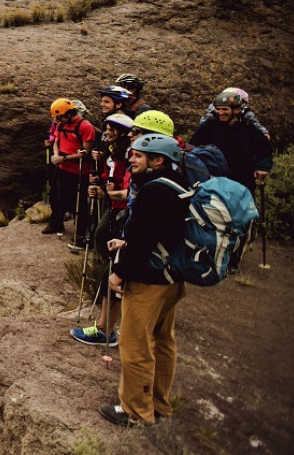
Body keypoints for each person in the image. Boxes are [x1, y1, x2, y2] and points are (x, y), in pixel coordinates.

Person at [100, 133, 187, 427]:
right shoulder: (180, 185)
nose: (131, 160)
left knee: (135, 343)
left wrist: (119, 272)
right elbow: (164, 232)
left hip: (149, 278)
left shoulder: (153, 191)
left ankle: (135, 411)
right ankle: (159, 404)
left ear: (158, 160)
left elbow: (143, 237)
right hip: (172, 276)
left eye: (138, 155)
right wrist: (126, 245)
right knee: (163, 340)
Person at [71, 112, 134, 346]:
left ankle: (106, 329)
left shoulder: (129, 155)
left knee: (110, 255)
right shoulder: (115, 152)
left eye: (111, 129)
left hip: (122, 210)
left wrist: (105, 192)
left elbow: (130, 191)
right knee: (101, 241)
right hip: (115, 205)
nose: (106, 132)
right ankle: (106, 316)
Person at [189, 89, 273, 194]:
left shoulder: (248, 127)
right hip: (213, 180)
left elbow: (264, 150)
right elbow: (192, 148)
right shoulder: (208, 126)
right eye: (218, 109)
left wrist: (262, 167)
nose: (220, 112)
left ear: (237, 110)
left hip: (243, 181)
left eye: (225, 109)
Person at [45, 98, 96, 245]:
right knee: (56, 196)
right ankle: (56, 222)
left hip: (78, 170)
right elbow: (56, 142)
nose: (57, 120)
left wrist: (64, 159)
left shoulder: (85, 127)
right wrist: (56, 156)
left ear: (68, 113)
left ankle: (80, 232)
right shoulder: (61, 124)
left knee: (78, 203)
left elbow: (85, 152)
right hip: (61, 167)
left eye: (59, 116)